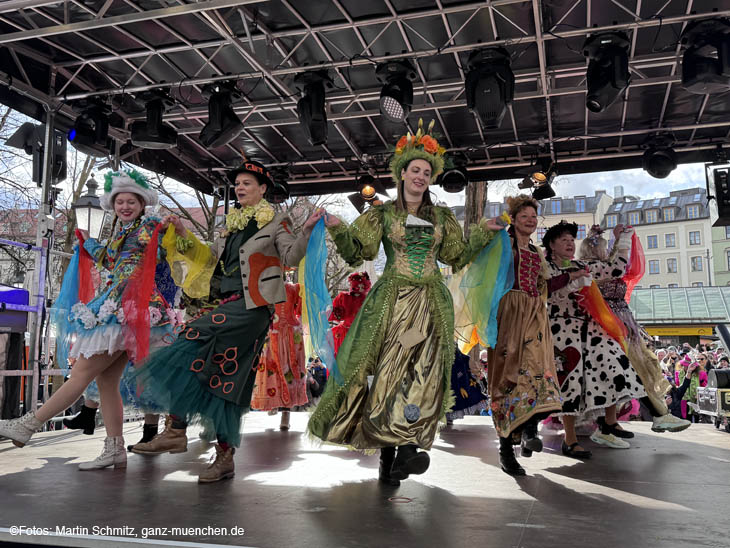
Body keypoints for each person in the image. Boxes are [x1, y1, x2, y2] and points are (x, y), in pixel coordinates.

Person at [307, 119, 504, 486]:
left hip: (431, 301)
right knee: (389, 372)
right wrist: (336, 225)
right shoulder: (382, 214)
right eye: (415, 170)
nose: (420, 176)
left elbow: (456, 256)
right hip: (393, 302)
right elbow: (356, 251)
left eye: (427, 172)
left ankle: (410, 445)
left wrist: (482, 233)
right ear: (402, 173)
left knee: (425, 372)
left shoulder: (442, 216)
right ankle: (389, 455)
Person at [130, 160, 320, 483]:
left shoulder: (276, 222)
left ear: (263, 190)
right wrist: (184, 233)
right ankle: (225, 456)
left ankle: (176, 427)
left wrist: (305, 232)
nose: (240, 187)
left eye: (247, 183)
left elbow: (290, 257)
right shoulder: (231, 225)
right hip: (228, 303)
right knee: (227, 381)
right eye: (238, 183)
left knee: (190, 334)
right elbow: (208, 257)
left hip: (253, 310)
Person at [0, 170, 178, 469]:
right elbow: (113, 261)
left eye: (130, 201)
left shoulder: (148, 226)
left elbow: (155, 251)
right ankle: (114, 449)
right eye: (120, 201)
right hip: (121, 304)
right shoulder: (123, 231)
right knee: (106, 380)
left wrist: (162, 227)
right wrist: (89, 243)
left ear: (141, 204)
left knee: (82, 371)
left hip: (127, 306)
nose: (124, 206)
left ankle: (28, 424)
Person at [543, 221, 646, 459]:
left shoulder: (583, 265)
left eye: (572, 240)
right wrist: (572, 280)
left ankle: (609, 422)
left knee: (615, 362)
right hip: (560, 329)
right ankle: (569, 440)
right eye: (564, 240)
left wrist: (622, 240)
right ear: (552, 245)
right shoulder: (546, 267)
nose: (570, 243)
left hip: (589, 329)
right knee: (569, 382)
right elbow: (546, 291)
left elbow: (616, 270)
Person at [579, 226, 689, 434]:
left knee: (637, 370)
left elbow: (614, 263)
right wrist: (622, 241)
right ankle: (657, 416)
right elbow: (616, 267)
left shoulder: (603, 264)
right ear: (593, 251)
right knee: (632, 371)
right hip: (606, 327)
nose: (605, 251)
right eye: (602, 248)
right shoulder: (589, 268)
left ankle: (610, 426)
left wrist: (617, 238)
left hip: (622, 323)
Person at [487, 195, 562, 476]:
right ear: (514, 219)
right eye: (524, 216)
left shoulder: (536, 251)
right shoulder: (502, 244)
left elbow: (544, 284)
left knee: (537, 370)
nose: (530, 221)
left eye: (533, 217)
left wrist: (571, 275)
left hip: (534, 314)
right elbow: (485, 271)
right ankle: (506, 448)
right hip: (509, 312)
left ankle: (529, 428)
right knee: (508, 376)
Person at [250, 282, 308, 431]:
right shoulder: (265, 285)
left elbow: (300, 309)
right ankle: (274, 402)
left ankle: (286, 414)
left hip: (290, 334)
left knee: (289, 370)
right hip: (272, 332)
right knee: (272, 370)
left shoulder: (295, 288)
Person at [329, 272, 371, 356]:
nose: (361, 289)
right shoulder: (344, 297)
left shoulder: (367, 300)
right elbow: (333, 314)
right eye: (359, 286)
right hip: (344, 333)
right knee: (341, 356)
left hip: (359, 334)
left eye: (363, 286)